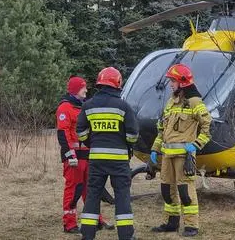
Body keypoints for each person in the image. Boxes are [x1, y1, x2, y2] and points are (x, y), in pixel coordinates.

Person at [150, 64, 212, 237]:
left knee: (185, 192)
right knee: (166, 190)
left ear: (182, 82)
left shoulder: (194, 102)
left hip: (184, 156)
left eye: (173, 81)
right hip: (166, 156)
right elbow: (162, 129)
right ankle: (171, 222)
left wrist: (196, 144)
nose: (170, 84)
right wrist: (155, 149)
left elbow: (207, 125)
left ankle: (192, 226)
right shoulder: (171, 101)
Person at [77, 67, 138, 240]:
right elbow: (133, 134)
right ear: (118, 83)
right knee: (122, 196)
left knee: (93, 195)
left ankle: (87, 235)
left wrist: (92, 143)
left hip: (96, 159)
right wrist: (126, 145)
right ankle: (126, 236)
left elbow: (80, 131)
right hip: (119, 160)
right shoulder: (124, 106)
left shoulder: (88, 105)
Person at [56, 76, 114, 233]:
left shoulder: (84, 107)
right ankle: (69, 224)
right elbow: (63, 134)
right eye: (83, 87)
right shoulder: (65, 108)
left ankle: (96, 220)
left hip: (87, 156)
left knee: (92, 189)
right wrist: (70, 156)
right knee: (73, 190)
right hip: (74, 158)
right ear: (76, 90)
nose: (86, 90)